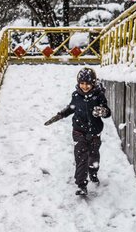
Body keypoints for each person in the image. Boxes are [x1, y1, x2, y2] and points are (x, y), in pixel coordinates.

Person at [44, 68, 111, 196]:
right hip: (78, 131)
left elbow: (107, 112)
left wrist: (103, 111)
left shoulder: (99, 96)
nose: (84, 86)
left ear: (93, 83)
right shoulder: (76, 95)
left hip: (95, 133)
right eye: (82, 83)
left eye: (87, 83)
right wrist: (59, 115)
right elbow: (71, 108)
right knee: (81, 157)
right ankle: (81, 184)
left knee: (93, 156)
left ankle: (93, 171)